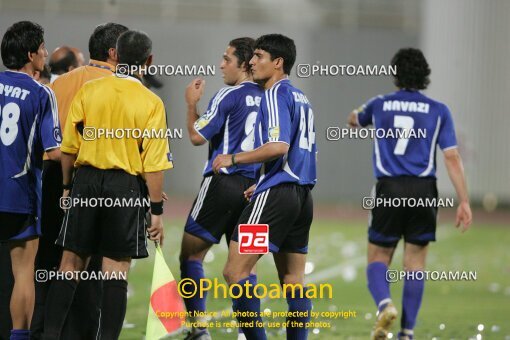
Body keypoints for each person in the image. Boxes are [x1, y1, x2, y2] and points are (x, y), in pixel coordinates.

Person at [42, 30, 172, 340]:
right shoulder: (151, 102)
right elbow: (153, 164)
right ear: (148, 60)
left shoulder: (91, 90)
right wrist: (156, 211)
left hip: (85, 181)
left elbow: (70, 147)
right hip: (124, 187)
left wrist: (67, 187)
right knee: (116, 270)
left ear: (115, 54)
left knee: (69, 265)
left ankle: (48, 336)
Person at [347, 48, 472, 340]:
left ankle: (384, 304)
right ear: (425, 75)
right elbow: (452, 157)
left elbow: (355, 119)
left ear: (395, 74)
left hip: (390, 188)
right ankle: (407, 331)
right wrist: (464, 200)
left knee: (378, 257)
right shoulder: (439, 110)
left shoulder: (379, 104)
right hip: (423, 191)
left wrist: (355, 115)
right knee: (415, 263)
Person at [213, 33, 317, 340]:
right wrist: (260, 181)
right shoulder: (301, 97)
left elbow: (279, 146)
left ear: (278, 62)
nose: (252, 62)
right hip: (301, 197)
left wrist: (232, 158)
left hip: (278, 195)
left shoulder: (274, 94)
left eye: (258, 56)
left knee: (235, 273)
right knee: (293, 278)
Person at [31, 23, 129, 340]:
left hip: (50, 175)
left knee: (49, 259)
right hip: (92, 177)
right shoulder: (122, 87)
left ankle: (42, 330)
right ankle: (83, 332)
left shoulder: (58, 85)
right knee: (93, 263)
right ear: (115, 52)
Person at [180, 37, 262, 340]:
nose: (220, 65)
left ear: (244, 63)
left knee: (190, 256)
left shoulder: (227, 95)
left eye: (227, 59)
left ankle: (199, 330)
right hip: (258, 192)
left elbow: (196, 137)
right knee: (245, 267)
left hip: (222, 184)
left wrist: (191, 104)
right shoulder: (272, 97)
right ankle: (246, 333)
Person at [0, 21, 61, 340]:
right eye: (42, 49)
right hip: (19, 195)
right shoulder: (41, 93)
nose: (45, 54)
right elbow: (53, 151)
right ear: (30, 55)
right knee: (23, 273)